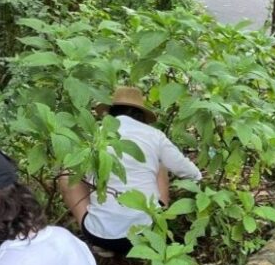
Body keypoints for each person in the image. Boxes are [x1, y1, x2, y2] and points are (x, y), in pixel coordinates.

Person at [59, 86, 202, 255]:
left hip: (99, 235)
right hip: (147, 232)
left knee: (67, 175)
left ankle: (99, 231)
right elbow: (191, 174)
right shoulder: (154, 135)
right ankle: (153, 228)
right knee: (160, 161)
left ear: (110, 113)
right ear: (142, 115)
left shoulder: (96, 136)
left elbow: (74, 173)